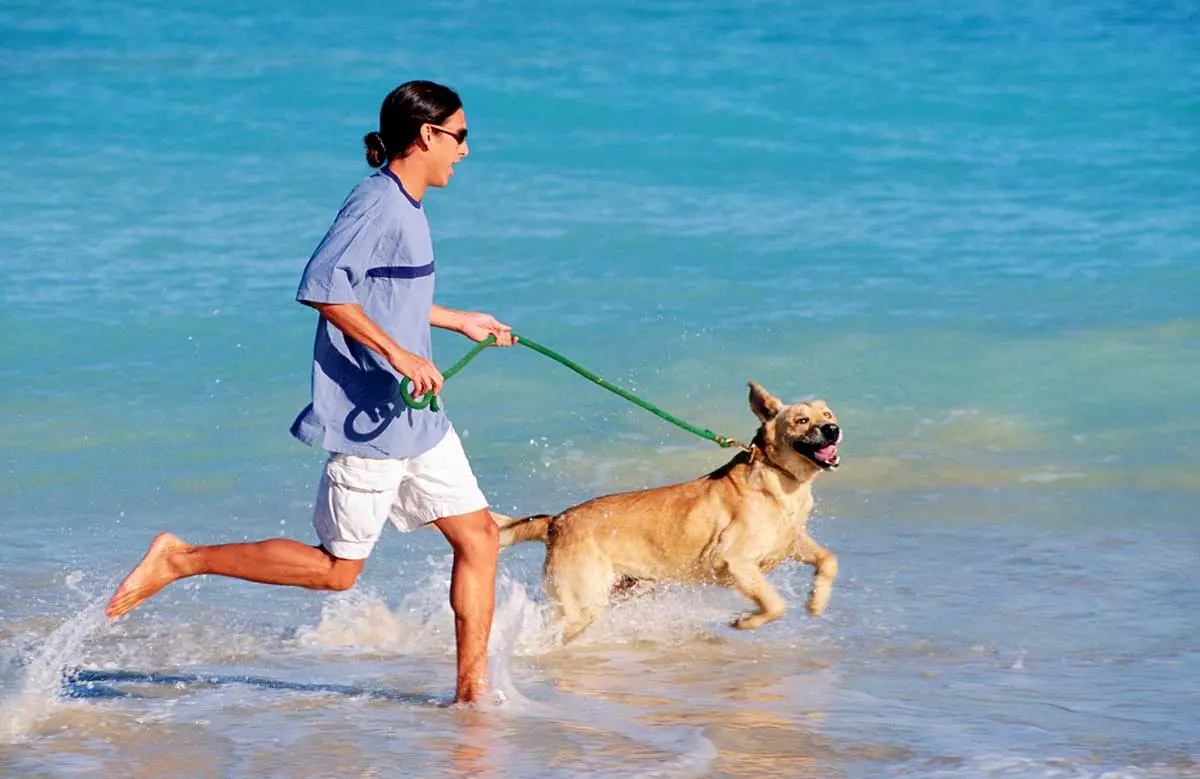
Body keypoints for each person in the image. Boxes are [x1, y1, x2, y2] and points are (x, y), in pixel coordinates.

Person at [105, 80, 514, 705]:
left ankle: (471, 697)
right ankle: (181, 559)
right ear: (427, 136)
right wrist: (398, 353)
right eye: (460, 138)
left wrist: (458, 320)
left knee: (478, 538)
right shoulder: (377, 203)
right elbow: (323, 287)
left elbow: (385, 294)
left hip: (417, 417)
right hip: (371, 420)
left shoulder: (407, 205)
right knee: (337, 573)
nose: (465, 151)